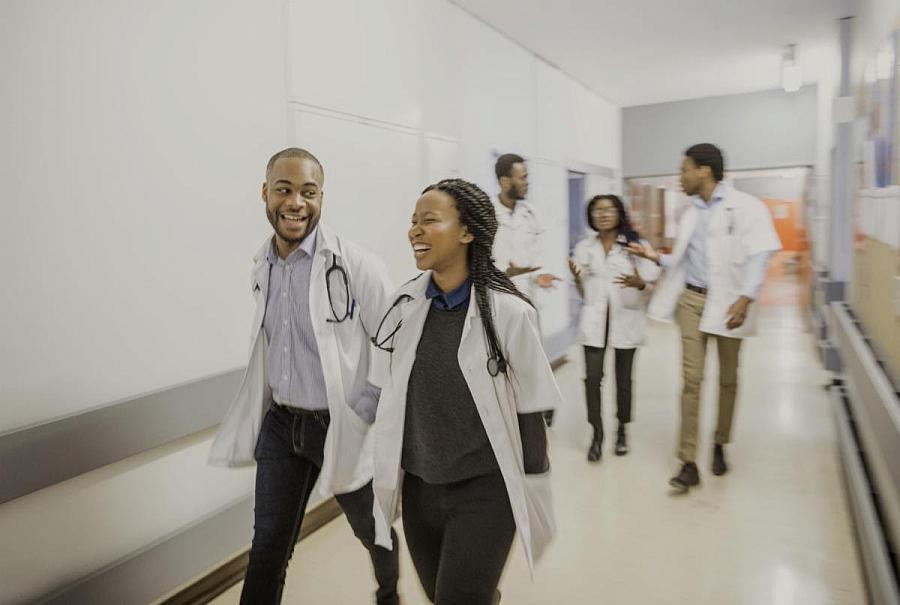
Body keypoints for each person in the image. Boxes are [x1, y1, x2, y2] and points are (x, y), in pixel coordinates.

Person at [207, 148, 400, 603]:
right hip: (281, 426)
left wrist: (366, 407)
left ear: (321, 199)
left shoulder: (356, 264)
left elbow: (397, 339)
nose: (296, 202)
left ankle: (389, 595)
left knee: (373, 531)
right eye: (284, 190)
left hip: (339, 425)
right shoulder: (263, 267)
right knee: (268, 550)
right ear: (265, 194)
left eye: (308, 192)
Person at [369, 179, 562, 605]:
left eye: (429, 220)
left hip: (486, 493)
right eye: (413, 222)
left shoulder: (509, 313)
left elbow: (531, 413)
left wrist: (530, 495)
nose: (415, 231)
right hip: (421, 491)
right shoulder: (404, 305)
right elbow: (393, 397)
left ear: (467, 232)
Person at [628, 144, 781, 493]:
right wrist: (655, 256)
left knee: (728, 379)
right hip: (692, 301)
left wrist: (746, 297)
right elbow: (685, 260)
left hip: (729, 303)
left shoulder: (745, 207)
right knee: (692, 380)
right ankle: (688, 461)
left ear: (704, 171)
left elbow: (759, 254)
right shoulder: (690, 213)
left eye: (685, 170)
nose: (680, 177)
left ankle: (719, 442)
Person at [568, 194, 660, 462]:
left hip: (625, 317)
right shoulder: (584, 247)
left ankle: (622, 430)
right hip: (595, 320)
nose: (603, 214)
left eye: (608, 209)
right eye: (597, 210)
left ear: (620, 213)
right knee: (593, 378)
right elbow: (585, 292)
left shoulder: (635, 245)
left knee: (623, 380)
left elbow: (651, 280)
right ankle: (597, 434)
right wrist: (576, 279)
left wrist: (639, 282)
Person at [492, 153, 562, 425]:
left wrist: (542, 275)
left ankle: (543, 404)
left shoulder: (531, 215)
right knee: (502, 359)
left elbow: (538, 255)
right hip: (497, 297)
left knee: (534, 356)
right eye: (523, 178)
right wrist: (507, 272)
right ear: (504, 180)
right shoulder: (487, 213)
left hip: (527, 298)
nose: (527, 183)